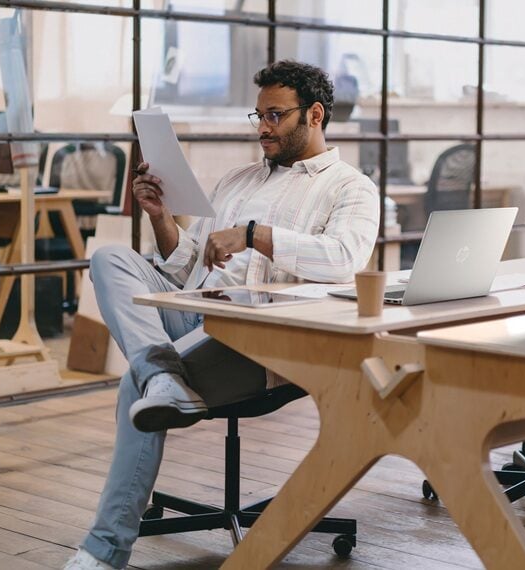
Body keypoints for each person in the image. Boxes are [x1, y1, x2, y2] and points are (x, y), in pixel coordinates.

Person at [64, 60, 380, 570]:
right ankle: (164, 376)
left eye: (275, 115)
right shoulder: (238, 180)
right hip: (192, 312)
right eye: (257, 115)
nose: (263, 127)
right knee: (109, 258)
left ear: (315, 114)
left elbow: (344, 258)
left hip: (258, 341)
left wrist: (255, 234)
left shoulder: (350, 188)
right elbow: (189, 260)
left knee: (133, 387)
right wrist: (161, 217)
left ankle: (103, 553)